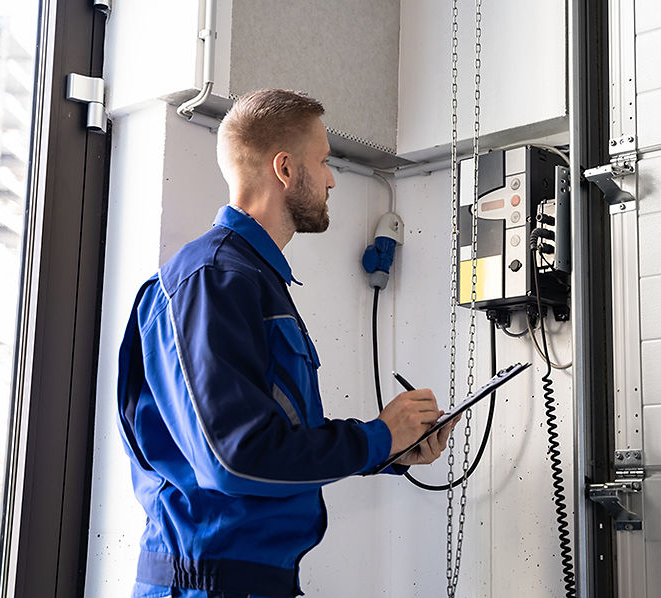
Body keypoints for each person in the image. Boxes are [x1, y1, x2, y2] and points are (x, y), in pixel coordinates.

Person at [116, 89, 453, 598]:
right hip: (207, 585)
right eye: (322, 161)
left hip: (251, 580)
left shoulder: (250, 279)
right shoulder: (213, 280)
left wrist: (392, 448)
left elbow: (274, 441)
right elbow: (235, 458)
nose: (332, 178)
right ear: (285, 169)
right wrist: (377, 438)